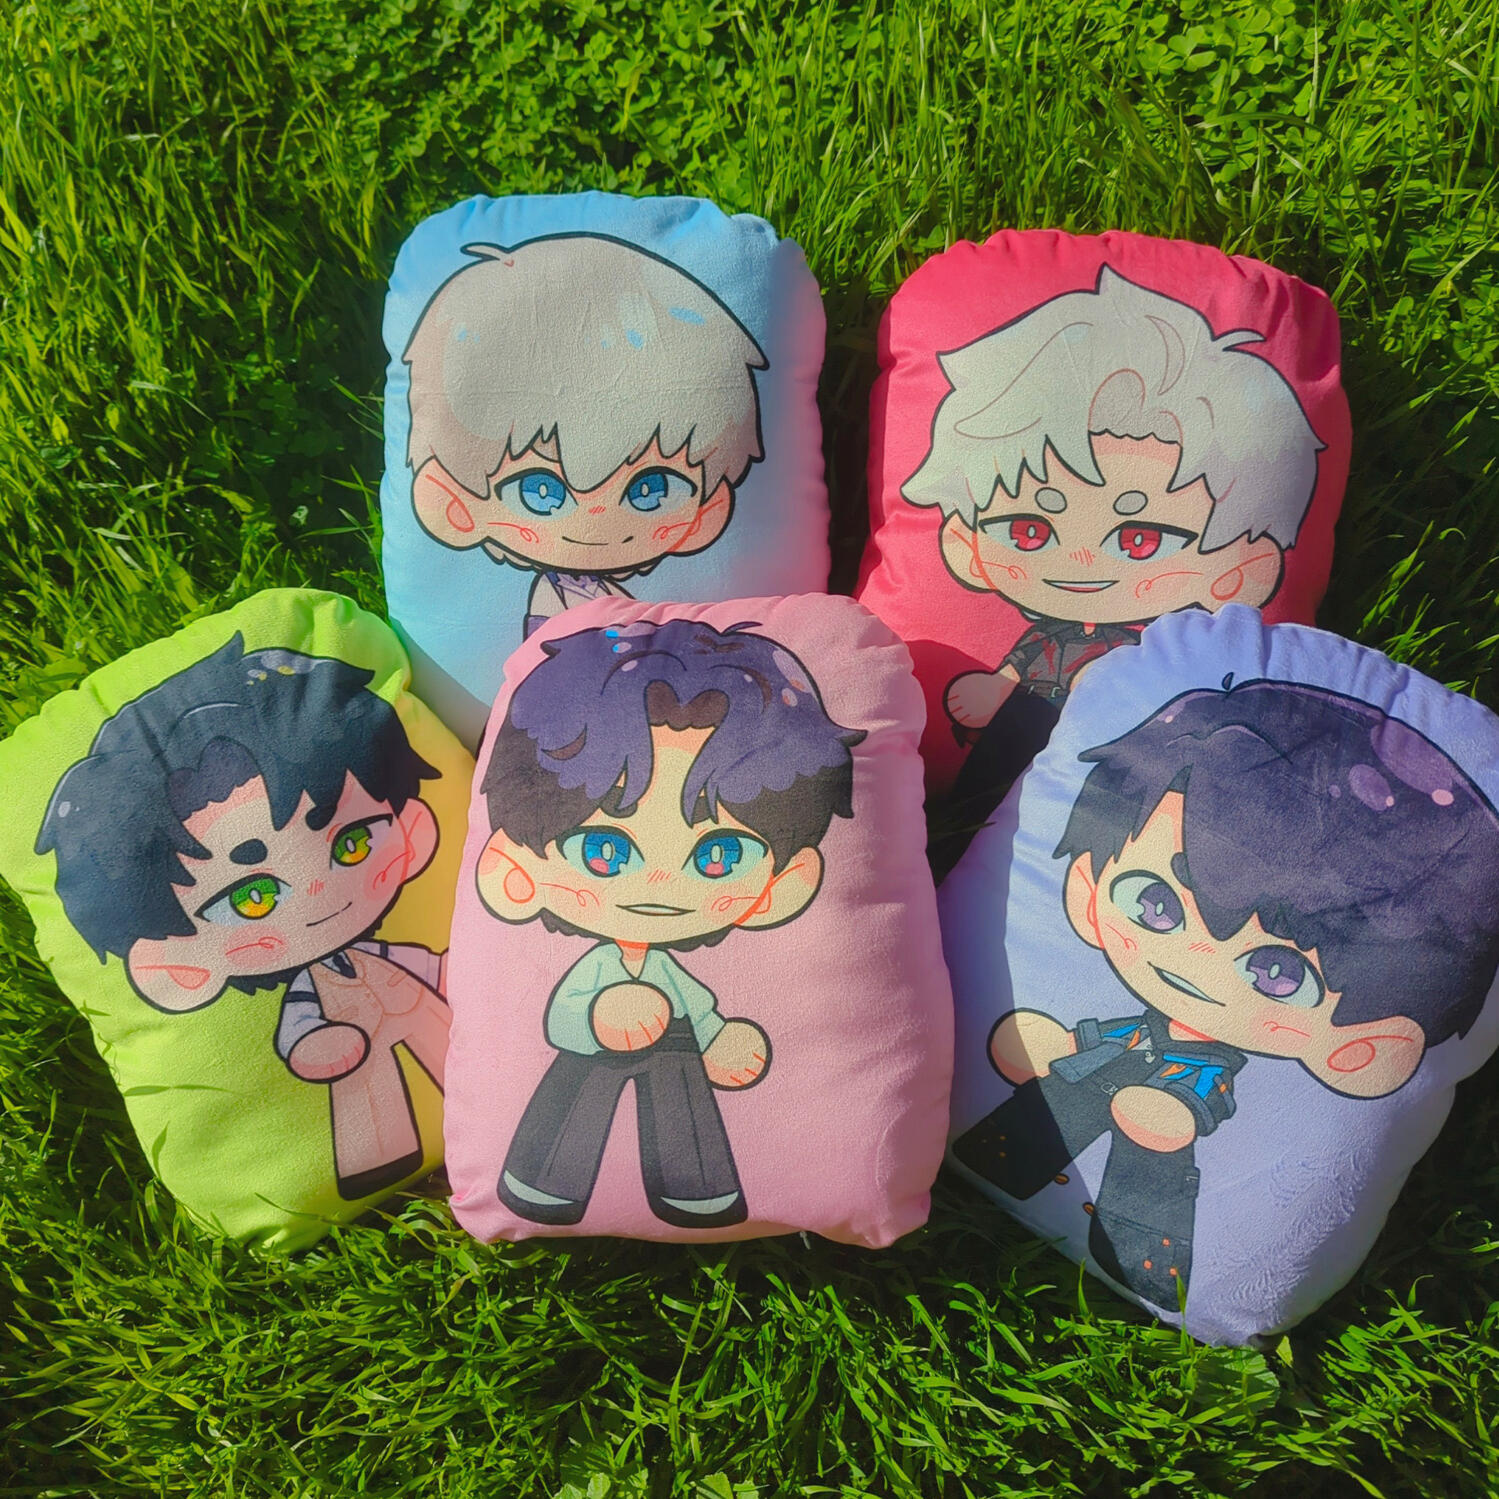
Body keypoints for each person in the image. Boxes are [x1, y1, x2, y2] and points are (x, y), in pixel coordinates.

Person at [951, 678, 1499, 1307]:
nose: (1195, 959)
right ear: (1089, 890)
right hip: (1118, 1059)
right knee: (1074, 1082)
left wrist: (1174, 1115)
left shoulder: (1210, 1067)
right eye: (1154, 903)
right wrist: (1066, 1044)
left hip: (1180, 1094)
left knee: (1154, 1132)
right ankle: (1000, 1157)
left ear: (1360, 1047)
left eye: (1277, 972)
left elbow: (1194, 1091)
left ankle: (1145, 1262)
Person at [903, 267, 1326, 828]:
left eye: (1139, 538)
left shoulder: (1150, 648)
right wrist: (994, 688)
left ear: (1238, 569)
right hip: (1012, 738)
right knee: (1006, 747)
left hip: (1120, 770)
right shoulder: (1044, 640)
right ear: (965, 543)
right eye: (1029, 530)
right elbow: (1016, 670)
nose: (1080, 561)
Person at [475, 618, 863, 1228]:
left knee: (679, 1057)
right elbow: (562, 1017)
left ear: (781, 887)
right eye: (604, 851)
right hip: (591, 1050)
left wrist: (718, 1038)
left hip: (670, 1044)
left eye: (720, 855)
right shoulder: (598, 967)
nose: (659, 883)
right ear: (515, 870)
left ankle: (697, 1187)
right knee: (580, 1078)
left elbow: (696, 1007)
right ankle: (544, 1182)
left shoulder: (666, 971)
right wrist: (599, 1018)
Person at [37, 636, 450, 1199]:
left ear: (412, 832)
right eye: (252, 898)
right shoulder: (309, 991)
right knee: (367, 1094)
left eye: (352, 843)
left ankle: (491, 1093)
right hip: (347, 1029)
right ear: (176, 963)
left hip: (412, 999)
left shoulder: (382, 948)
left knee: (457, 1047)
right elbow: (302, 1026)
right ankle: (377, 1160)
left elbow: (426, 965)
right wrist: (315, 1045)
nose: (318, 892)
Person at [403, 234, 769, 639]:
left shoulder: (586, 599)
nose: (597, 521)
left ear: (709, 509)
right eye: (541, 492)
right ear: (455, 507)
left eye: (651, 490)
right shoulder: (561, 612)